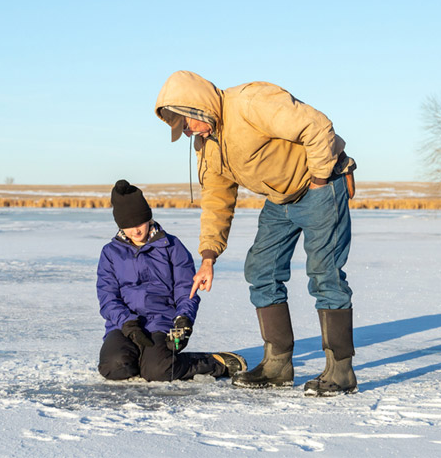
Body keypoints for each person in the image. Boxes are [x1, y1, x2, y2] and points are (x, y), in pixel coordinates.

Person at [155, 71, 358, 396]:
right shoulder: (208, 146)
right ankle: (277, 364)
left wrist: (320, 179)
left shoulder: (250, 102)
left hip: (320, 187)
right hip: (281, 200)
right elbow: (216, 199)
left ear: (197, 108)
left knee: (325, 275)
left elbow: (316, 125)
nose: (189, 132)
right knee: (260, 270)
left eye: (187, 124)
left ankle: (341, 372)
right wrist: (208, 256)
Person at [97, 179, 247, 382]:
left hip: (161, 322)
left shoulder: (172, 246)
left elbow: (186, 289)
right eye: (128, 226)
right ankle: (147, 358)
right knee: (114, 367)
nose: (136, 231)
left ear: (148, 217)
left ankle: (214, 362)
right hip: (124, 325)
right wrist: (127, 324)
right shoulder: (110, 252)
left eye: (139, 222)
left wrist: (183, 319)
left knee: (158, 371)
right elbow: (107, 297)